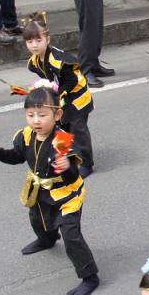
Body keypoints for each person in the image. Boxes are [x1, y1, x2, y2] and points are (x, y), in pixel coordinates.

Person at [0, 85, 100, 295]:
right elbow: (17, 157)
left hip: (67, 195)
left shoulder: (63, 141)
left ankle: (90, 277)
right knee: (37, 219)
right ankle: (46, 240)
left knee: (71, 235)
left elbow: (74, 176)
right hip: (39, 190)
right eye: (31, 115)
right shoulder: (26, 135)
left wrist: (67, 167)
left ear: (57, 115)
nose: (36, 120)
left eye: (42, 115)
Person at [22, 12, 95, 178]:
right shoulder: (34, 62)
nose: (34, 45)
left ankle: (87, 163)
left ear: (47, 39)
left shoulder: (58, 59)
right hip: (62, 98)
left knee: (78, 130)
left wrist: (56, 90)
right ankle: (65, 158)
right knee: (62, 128)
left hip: (77, 98)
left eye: (38, 40)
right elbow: (47, 78)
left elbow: (71, 80)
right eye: (29, 41)